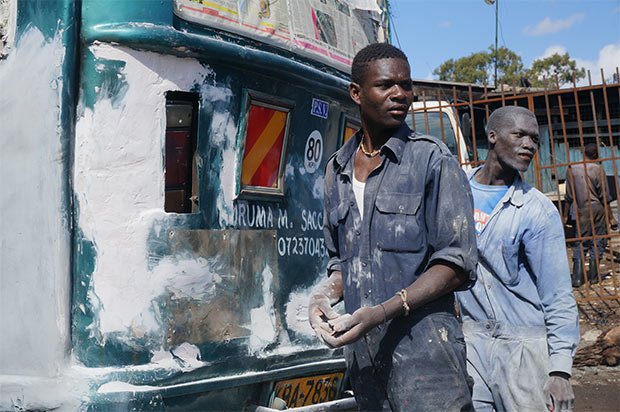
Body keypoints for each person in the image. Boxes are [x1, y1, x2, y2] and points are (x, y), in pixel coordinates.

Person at [307, 43, 478, 411]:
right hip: (366, 365)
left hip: (428, 363)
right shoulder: (335, 171)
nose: (400, 94)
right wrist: (322, 297)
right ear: (357, 93)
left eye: (406, 84)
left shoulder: (432, 160)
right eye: (386, 85)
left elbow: (457, 265)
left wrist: (383, 311)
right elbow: (342, 263)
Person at [456, 106, 579, 412]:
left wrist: (561, 370)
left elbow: (558, 294)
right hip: (471, 343)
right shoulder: (455, 190)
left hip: (524, 348)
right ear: (493, 136)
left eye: (534, 139)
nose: (529, 145)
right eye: (520, 135)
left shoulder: (537, 211)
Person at [564, 143, 616, 286]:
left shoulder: (571, 169)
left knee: (580, 241)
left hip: (581, 210)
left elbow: (568, 196)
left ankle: (577, 278)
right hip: (597, 209)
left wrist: (564, 215)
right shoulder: (598, 169)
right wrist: (611, 218)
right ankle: (593, 276)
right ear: (595, 155)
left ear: (583, 153)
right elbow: (604, 197)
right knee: (598, 240)